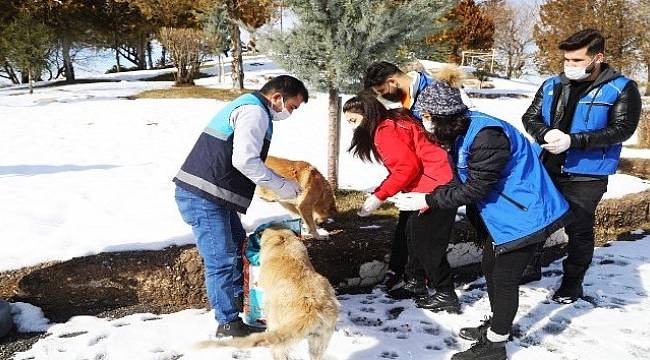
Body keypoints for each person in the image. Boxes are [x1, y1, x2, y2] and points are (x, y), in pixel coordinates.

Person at [393, 80, 571, 360]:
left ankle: (495, 347)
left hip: (526, 214)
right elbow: (463, 178)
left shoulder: (486, 136)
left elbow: (477, 188)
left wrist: (428, 200)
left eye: (427, 116)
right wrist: (430, 192)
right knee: (490, 265)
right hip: (506, 214)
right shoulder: (461, 132)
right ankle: (497, 326)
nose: (423, 121)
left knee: (504, 278)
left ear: (444, 116)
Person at [173, 75, 309, 338]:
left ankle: (241, 303)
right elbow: (245, 160)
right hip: (203, 196)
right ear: (277, 97)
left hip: (212, 194)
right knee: (221, 259)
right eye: (292, 106)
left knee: (237, 248)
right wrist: (282, 186)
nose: (290, 113)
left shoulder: (253, 108)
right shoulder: (254, 112)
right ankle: (228, 323)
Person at [521, 29, 641, 302]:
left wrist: (574, 141)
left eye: (576, 60)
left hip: (587, 173)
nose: (569, 66)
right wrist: (544, 134)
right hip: (549, 165)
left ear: (597, 58)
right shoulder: (552, 84)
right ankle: (529, 266)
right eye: (566, 60)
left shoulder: (621, 88)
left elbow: (621, 129)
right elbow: (530, 116)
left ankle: (572, 283)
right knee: (536, 218)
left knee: (579, 229)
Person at [343, 91, 460, 312]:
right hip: (429, 183)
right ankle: (415, 282)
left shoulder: (385, 131)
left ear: (366, 115)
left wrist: (378, 196)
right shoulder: (393, 120)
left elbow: (406, 168)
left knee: (428, 244)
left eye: (353, 120)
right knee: (411, 234)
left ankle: (445, 292)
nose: (352, 126)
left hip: (436, 186)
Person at [363, 61, 454, 297]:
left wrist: (380, 195)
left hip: (440, 177)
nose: (383, 98)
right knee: (410, 231)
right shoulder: (404, 100)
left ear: (392, 82)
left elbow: (458, 129)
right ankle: (408, 277)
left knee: (428, 239)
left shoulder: (434, 91)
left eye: (382, 92)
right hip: (420, 179)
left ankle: (441, 289)